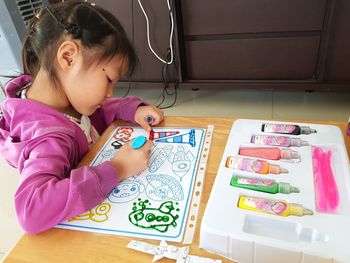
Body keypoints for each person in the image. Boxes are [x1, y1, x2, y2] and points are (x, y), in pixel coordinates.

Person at [0, 0, 164, 234]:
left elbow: (94, 115)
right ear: (68, 57)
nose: (109, 93)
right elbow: (31, 211)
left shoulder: (63, 98)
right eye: (108, 80)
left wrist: (132, 109)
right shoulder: (49, 139)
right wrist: (117, 169)